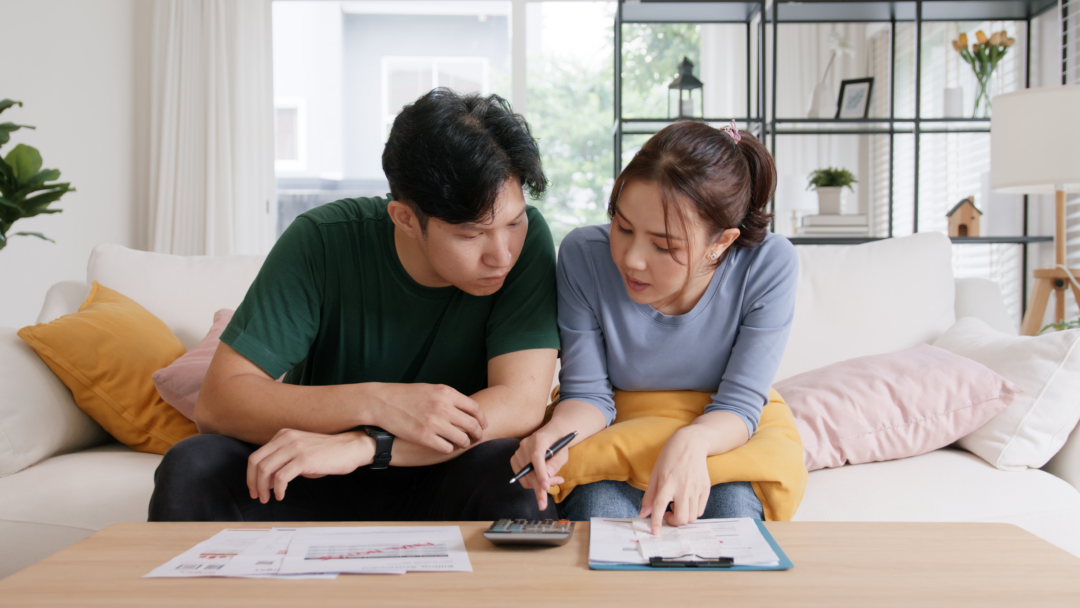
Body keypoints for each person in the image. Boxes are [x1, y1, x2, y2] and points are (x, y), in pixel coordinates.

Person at [149, 89, 561, 522]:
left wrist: (369, 445)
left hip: (440, 470)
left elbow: (519, 403)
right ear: (404, 218)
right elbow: (219, 403)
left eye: (513, 222)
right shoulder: (322, 240)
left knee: (514, 480)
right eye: (471, 234)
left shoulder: (528, 243)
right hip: (314, 472)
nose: (502, 254)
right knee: (193, 466)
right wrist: (378, 403)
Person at [511, 120, 798, 534]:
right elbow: (590, 395)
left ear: (721, 242)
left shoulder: (769, 264)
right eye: (623, 227)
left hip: (725, 431)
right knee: (600, 516)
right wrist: (553, 436)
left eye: (663, 246)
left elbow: (739, 404)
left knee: (733, 518)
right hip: (620, 431)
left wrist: (692, 441)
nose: (631, 259)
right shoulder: (584, 257)